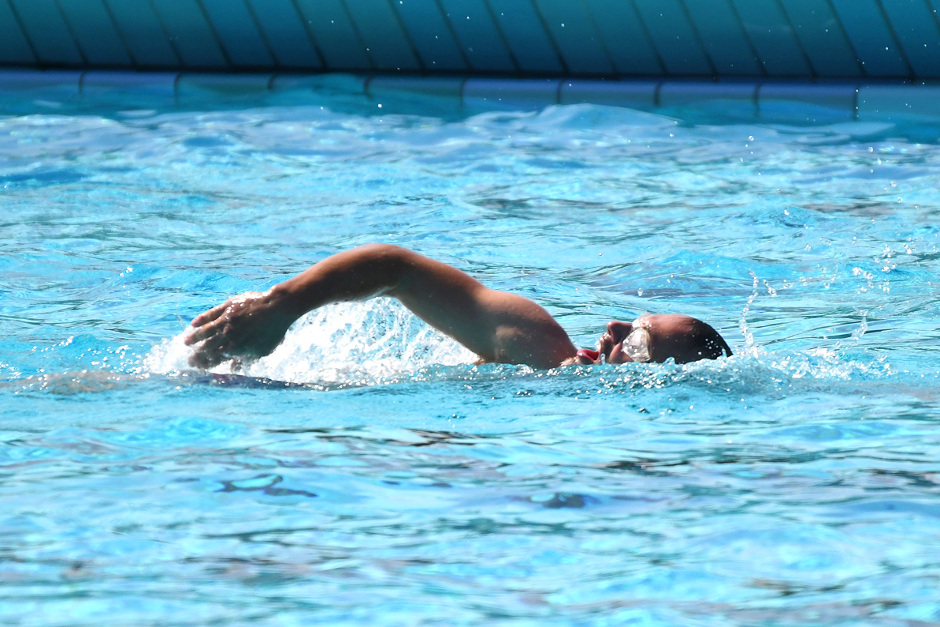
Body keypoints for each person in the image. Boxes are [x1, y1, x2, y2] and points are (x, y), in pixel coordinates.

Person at [185, 244, 732, 369]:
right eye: (633, 319)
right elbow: (394, 268)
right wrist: (283, 305)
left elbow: (394, 268)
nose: (614, 324)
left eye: (638, 338)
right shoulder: (540, 344)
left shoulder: (547, 363)